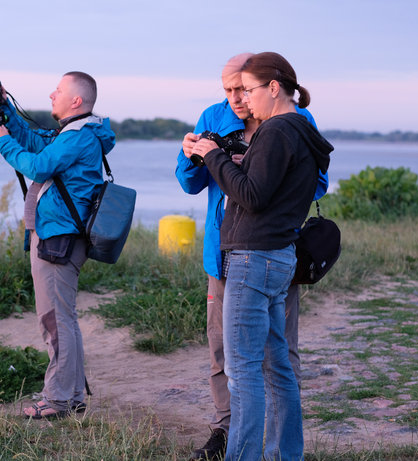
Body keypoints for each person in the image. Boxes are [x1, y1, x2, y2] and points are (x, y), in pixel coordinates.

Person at [175, 53, 327, 460]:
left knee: (243, 374)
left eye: (246, 89)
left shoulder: (278, 130)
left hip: (252, 257)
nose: (240, 99)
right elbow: (194, 181)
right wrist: (207, 153)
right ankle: (282, 455)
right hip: (270, 255)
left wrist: (219, 158)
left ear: (271, 87)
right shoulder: (287, 127)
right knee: (272, 368)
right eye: (230, 90)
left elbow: (255, 195)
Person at [0, 71, 115, 419]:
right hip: (59, 235)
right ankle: (70, 395)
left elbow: (38, 166)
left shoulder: (78, 137)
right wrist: (6, 113)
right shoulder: (73, 134)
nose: (51, 95)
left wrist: (1, 141)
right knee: (63, 319)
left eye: (58, 91)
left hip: (59, 237)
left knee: (55, 321)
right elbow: (34, 142)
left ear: (76, 101)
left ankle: (57, 400)